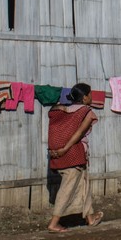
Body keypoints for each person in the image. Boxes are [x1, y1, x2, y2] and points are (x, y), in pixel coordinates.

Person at [46, 83, 103, 232]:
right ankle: (54, 223)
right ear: (85, 97)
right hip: (72, 153)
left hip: (57, 154)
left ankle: (90, 218)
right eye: (90, 94)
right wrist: (65, 149)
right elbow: (78, 134)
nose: (91, 97)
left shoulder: (61, 109)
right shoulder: (86, 112)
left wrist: (59, 149)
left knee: (83, 183)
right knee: (68, 188)